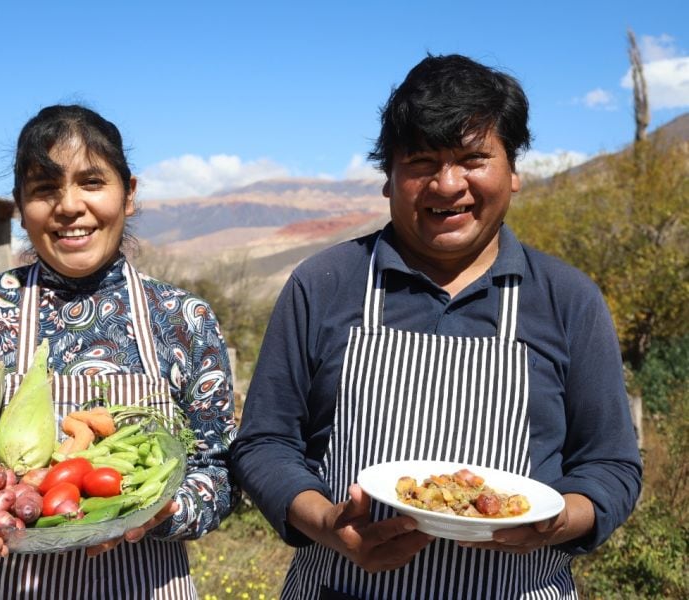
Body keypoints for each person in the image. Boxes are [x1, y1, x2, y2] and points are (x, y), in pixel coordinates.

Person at [230, 54, 642, 599]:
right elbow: (264, 443)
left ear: (513, 170)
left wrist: (558, 520)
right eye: (422, 161)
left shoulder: (567, 299)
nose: (448, 185)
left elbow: (610, 464)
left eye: (474, 158)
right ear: (389, 178)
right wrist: (330, 526)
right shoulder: (324, 282)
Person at [0, 104, 239, 599]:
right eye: (44, 189)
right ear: (21, 207)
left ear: (128, 194)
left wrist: (158, 509)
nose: (68, 206)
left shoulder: (182, 319)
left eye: (91, 182)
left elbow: (220, 470)